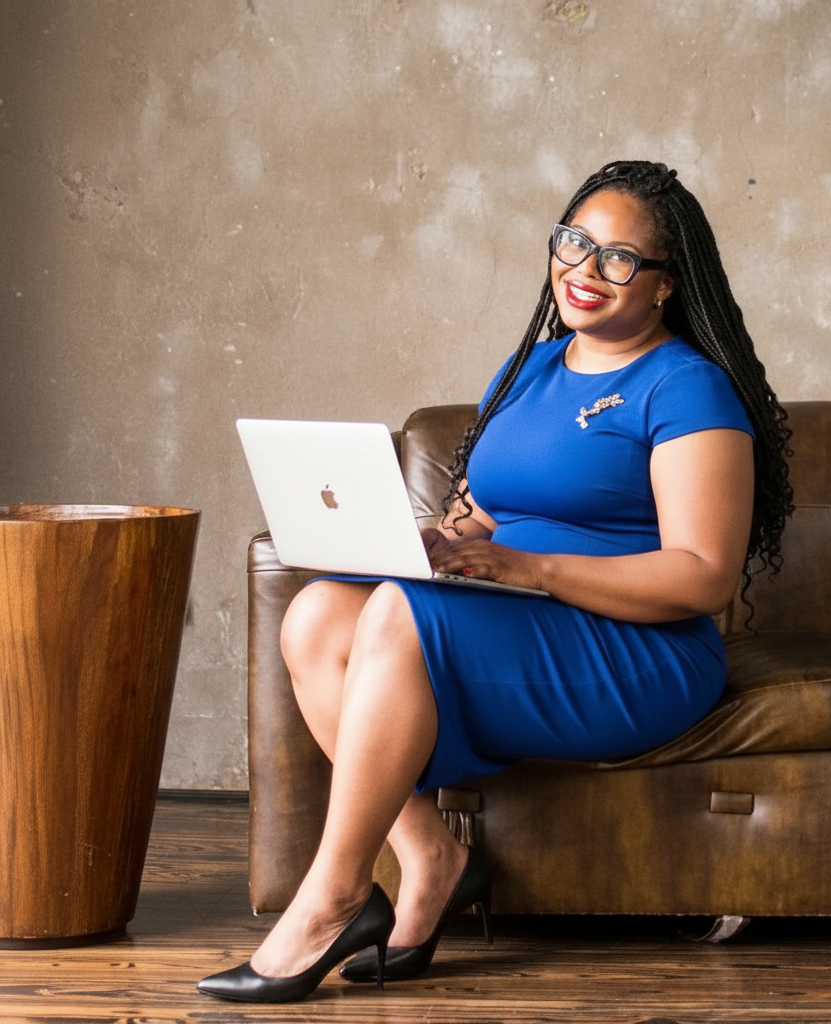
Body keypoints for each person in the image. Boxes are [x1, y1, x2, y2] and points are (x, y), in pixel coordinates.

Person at [197, 159, 792, 1003]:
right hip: (513, 610)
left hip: (637, 647)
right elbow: (483, 511)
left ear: (666, 284)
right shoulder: (530, 369)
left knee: (400, 617)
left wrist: (527, 566)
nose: (585, 272)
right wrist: (434, 541)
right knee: (319, 615)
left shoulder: (687, 388)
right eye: (575, 243)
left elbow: (702, 577)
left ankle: (331, 899)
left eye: (618, 258)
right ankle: (431, 855)